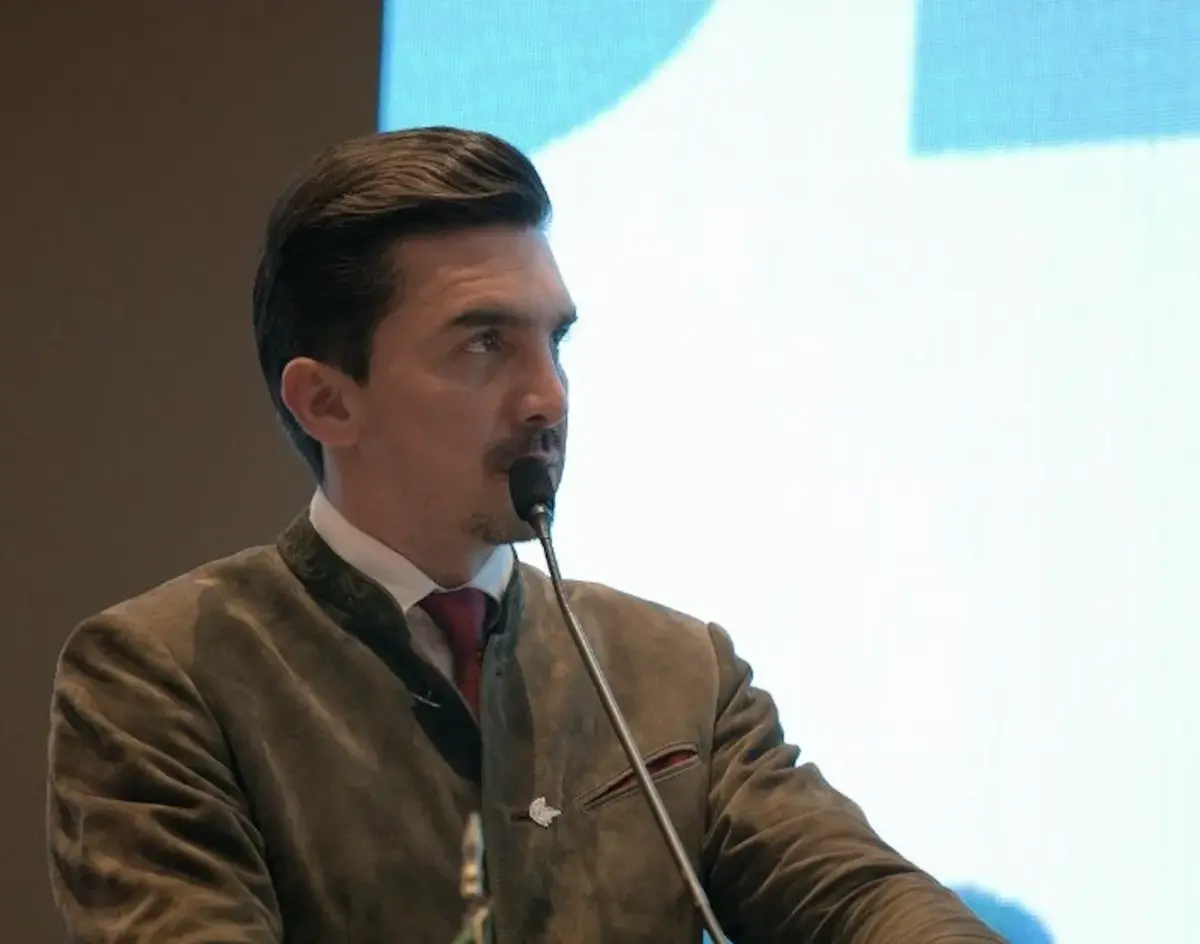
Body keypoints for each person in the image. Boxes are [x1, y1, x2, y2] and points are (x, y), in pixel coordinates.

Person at [46, 127, 1002, 943]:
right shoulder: (163, 675)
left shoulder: (676, 671)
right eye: (485, 343)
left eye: (557, 341)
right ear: (328, 402)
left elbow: (857, 897)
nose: (548, 396)